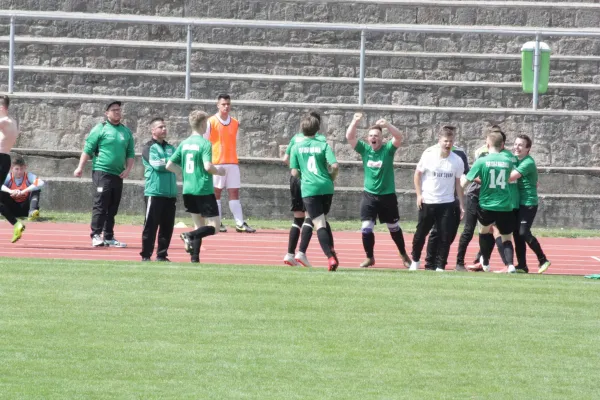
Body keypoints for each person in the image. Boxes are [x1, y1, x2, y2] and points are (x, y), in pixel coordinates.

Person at [345, 113, 411, 268]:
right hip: (369, 196)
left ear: (381, 139)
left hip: (387, 196)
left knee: (393, 228)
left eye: (376, 135)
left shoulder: (388, 149)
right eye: (371, 136)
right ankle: (369, 257)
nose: (373, 138)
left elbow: (399, 137)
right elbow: (350, 137)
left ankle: (403, 254)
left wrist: (387, 125)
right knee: (366, 227)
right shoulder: (365, 150)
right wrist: (354, 122)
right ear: (368, 139)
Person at [166, 110, 226, 263]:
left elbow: (169, 165)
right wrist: (219, 171)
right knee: (215, 227)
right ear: (202, 124)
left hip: (188, 189)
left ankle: (195, 258)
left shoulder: (184, 143)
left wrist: (183, 173)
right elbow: (207, 166)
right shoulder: (205, 143)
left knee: (198, 225)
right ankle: (189, 236)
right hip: (203, 189)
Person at [74, 100, 135, 247]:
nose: (117, 112)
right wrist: (80, 167)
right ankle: (96, 234)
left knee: (113, 206)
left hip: (118, 175)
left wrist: (127, 170)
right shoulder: (100, 129)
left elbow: (130, 153)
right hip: (102, 172)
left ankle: (109, 236)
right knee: (100, 204)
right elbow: (88, 149)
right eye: (114, 110)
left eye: (119, 110)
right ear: (106, 113)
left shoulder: (126, 132)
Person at [460, 130, 518, 273]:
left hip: (486, 203)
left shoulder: (482, 161)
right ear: (502, 144)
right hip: (504, 204)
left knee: (484, 231)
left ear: (487, 144)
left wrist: (458, 187)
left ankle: (484, 260)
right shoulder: (508, 160)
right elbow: (513, 178)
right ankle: (510, 265)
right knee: (506, 237)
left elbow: (465, 181)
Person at [410, 126, 465, 271]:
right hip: (428, 201)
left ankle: (440, 265)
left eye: (451, 141)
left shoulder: (457, 160)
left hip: (446, 203)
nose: (448, 144)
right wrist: (419, 195)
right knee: (420, 234)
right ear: (439, 141)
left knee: (444, 236)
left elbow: (458, 184)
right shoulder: (428, 155)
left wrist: (461, 204)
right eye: (445, 141)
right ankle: (415, 260)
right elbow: (417, 174)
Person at [290, 114, 340, 271]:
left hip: (310, 188)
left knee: (318, 223)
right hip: (326, 187)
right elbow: (335, 166)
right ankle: (331, 251)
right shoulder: (323, 145)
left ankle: (330, 257)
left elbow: (293, 172)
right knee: (322, 219)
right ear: (317, 129)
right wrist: (331, 177)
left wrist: (304, 177)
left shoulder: (297, 147)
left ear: (302, 129)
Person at [204, 93, 255, 233]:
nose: (226, 107)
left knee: (234, 192)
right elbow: (205, 141)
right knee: (216, 193)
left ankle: (239, 223)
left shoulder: (234, 122)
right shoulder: (211, 121)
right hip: (217, 162)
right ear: (218, 105)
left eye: (228, 104)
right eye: (223, 104)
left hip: (232, 162)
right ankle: (217, 222)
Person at [281, 110, 324, 267]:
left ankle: (289, 254)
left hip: (294, 179)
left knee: (297, 218)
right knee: (311, 217)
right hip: (309, 180)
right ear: (317, 125)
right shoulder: (319, 139)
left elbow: (285, 158)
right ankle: (302, 252)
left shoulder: (295, 138)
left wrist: (297, 168)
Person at [511, 134, 552, 274]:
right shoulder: (514, 159)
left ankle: (543, 259)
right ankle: (522, 265)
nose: (517, 147)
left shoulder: (527, 162)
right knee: (517, 234)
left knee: (523, 232)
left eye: (521, 145)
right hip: (517, 202)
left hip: (528, 202)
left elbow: (510, 177)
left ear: (528, 149)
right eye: (516, 144)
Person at [140, 118, 177, 262]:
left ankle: (162, 255)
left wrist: (169, 164)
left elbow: (178, 164)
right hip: (154, 192)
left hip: (170, 193)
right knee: (150, 225)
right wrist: (170, 164)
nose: (164, 129)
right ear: (153, 130)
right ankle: (146, 255)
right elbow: (157, 165)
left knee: (167, 226)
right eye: (161, 127)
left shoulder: (171, 148)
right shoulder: (148, 147)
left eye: (165, 126)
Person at [0, 94, 26, 242]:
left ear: (2, 108)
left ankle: (16, 223)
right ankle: (16, 224)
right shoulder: (11, 121)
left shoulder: (5, 121)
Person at [1, 156, 45, 221]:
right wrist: (10, 191)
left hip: (26, 208)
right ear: (11, 168)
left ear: (25, 167)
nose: (19, 172)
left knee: (36, 189)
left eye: (21, 169)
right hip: (12, 208)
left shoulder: (29, 176)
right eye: (17, 169)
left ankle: (32, 212)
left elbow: (41, 183)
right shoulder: (8, 177)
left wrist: (23, 192)